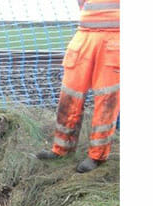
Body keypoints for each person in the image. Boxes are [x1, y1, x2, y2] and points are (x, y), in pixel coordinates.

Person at [37, 1, 120, 173]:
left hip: (115, 38)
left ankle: (97, 156)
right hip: (83, 35)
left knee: (106, 100)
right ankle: (61, 149)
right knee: (70, 94)